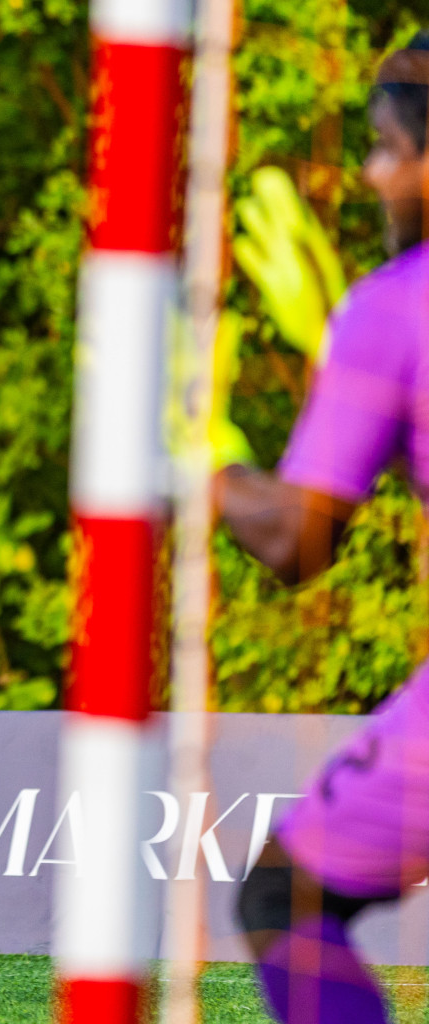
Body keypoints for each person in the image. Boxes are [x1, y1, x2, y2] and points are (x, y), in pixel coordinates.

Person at [219, 35, 429, 1024]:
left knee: (282, 895)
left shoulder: (396, 305)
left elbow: (295, 543)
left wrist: (200, 453)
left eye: (386, 148)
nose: (371, 174)